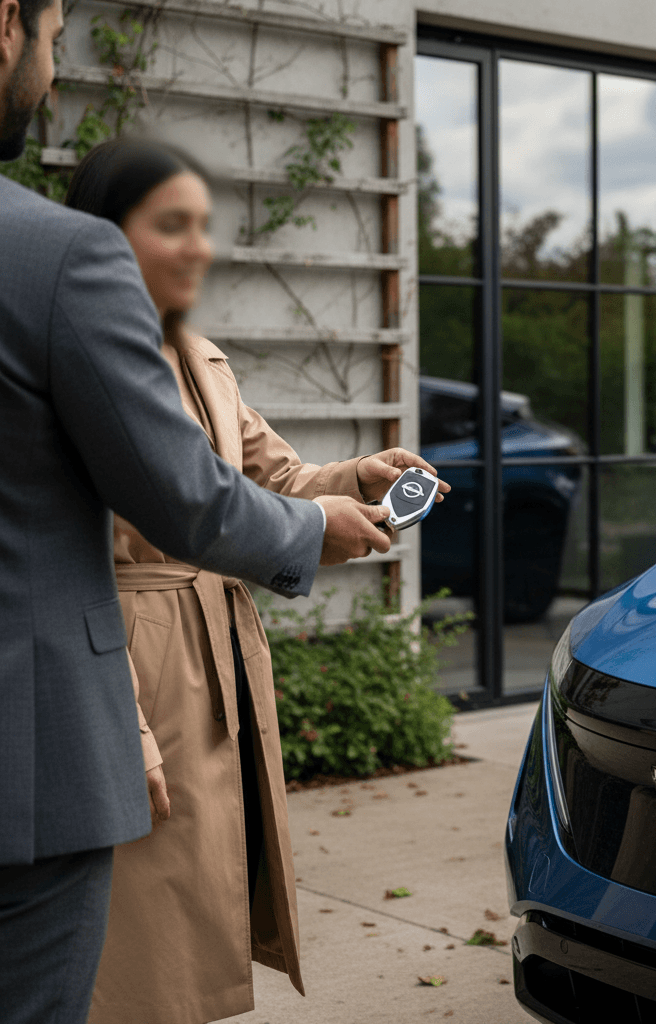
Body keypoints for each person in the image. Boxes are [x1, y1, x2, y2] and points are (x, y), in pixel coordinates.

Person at [0, 1, 444, 1021]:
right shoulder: (63, 289)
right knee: (121, 953)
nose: (197, 247)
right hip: (125, 674)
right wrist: (122, 725)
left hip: (210, 670)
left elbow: (270, 480)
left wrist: (357, 481)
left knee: (189, 928)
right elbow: (182, 505)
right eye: (172, 224)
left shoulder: (202, 356)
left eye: (205, 224)